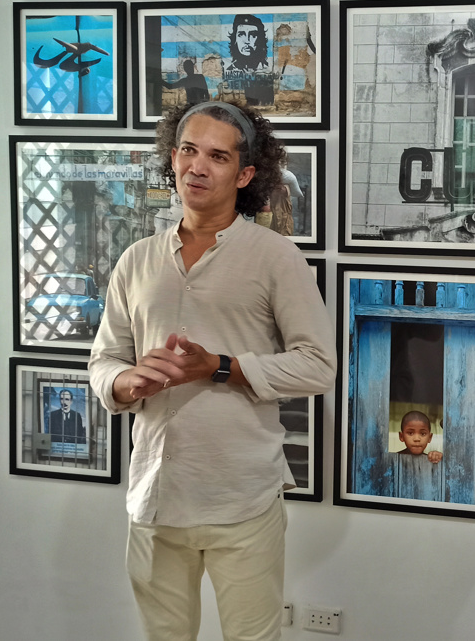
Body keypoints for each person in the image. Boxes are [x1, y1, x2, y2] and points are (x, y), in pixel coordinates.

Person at [88, 100, 338, 641]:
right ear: (172, 157)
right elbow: (104, 360)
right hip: (154, 495)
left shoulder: (275, 257)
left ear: (245, 174)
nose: (198, 167)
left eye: (218, 156)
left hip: (242, 496)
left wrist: (219, 366)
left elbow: (318, 367)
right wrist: (127, 381)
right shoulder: (136, 259)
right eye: (188, 149)